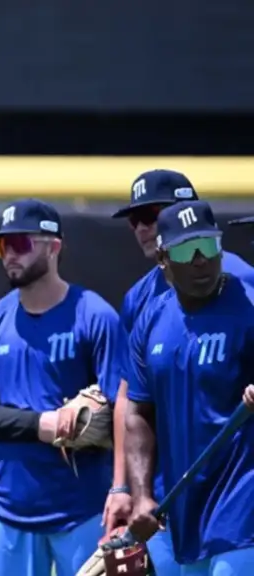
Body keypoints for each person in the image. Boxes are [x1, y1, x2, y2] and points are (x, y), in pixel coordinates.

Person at [0, 199, 125, 576]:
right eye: (3, 246)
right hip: (11, 505)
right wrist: (45, 424)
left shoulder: (95, 315)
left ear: (54, 247)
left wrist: (123, 489)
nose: (9, 256)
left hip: (83, 508)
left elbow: (124, 410)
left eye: (20, 244)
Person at [108, 170, 254, 576]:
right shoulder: (144, 306)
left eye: (153, 214)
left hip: (242, 500)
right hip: (176, 502)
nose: (200, 259)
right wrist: (130, 490)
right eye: (136, 219)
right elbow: (134, 402)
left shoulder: (245, 290)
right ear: (164, 256)